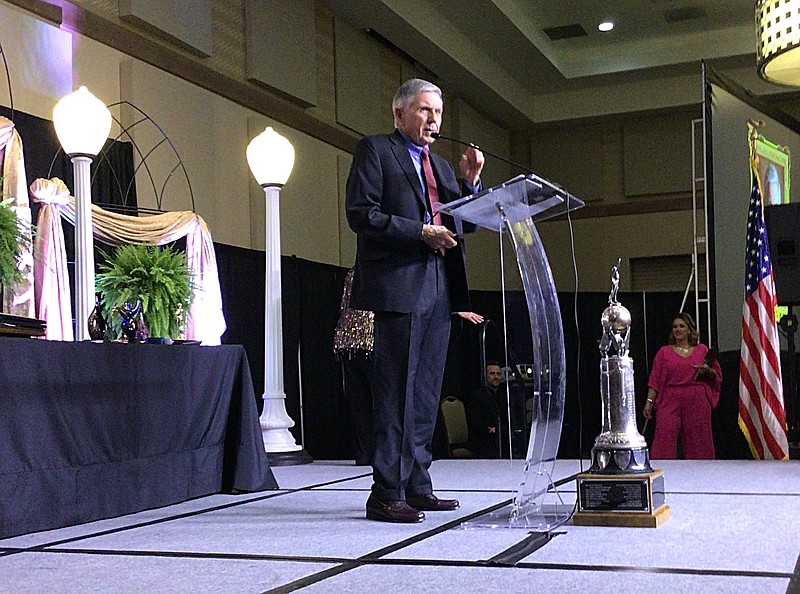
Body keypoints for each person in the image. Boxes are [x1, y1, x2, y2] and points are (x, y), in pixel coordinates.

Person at [346, 78, 485, 523]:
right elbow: (361, 214)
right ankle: (385, 491)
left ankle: (417, 484)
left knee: (425, 395)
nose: (433, 120)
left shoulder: (441, 167)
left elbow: (468, 224)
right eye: (425, 111)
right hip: (398, 286)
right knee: (396, 393)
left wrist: (471, 183)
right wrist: (420, 232)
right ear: (399, 113)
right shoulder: (376, 150)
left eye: (438, 113)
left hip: (440, 289)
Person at [643, 312, 722, 459]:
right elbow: (655, 379)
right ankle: (663, 470)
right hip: (669, 398)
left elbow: (716, 376)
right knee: (664, 436)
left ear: (689, 330)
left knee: (699, 439)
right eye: (674, 327)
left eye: (681, 326)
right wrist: (649, 402)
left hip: (696, 399)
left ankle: (702, 472)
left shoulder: (702, 350)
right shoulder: (664, 352)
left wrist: (707, 371)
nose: (677, 329)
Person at [333, 269, 375, 466]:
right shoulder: (381, 270)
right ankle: (381, 454)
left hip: (347, 340)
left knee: (358, 402)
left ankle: (364, 453)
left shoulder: (351, 273)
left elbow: (344, 305)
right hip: (373, 339)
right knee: (380, 402)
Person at [464, 361, 502, 458]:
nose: (496, 377)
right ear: (485, 376)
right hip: (482, 441)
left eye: (498, 374)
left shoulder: (503, 396)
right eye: (492, 374)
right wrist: (491, 430)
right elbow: (475, 422)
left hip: (499, 437)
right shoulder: (477, 396)